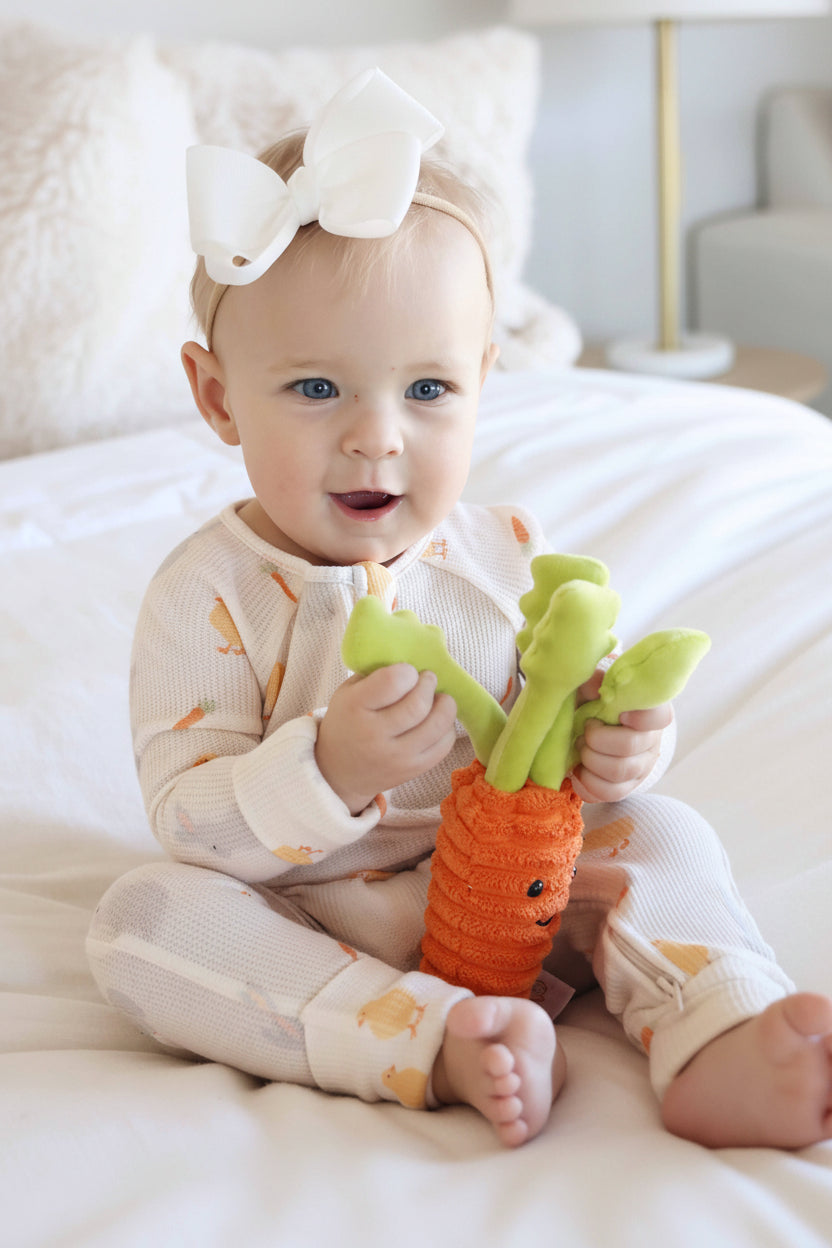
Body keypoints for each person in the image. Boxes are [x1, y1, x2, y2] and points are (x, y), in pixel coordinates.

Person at [87, 71, 832, 1150]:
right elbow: (186, 818)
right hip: (320, 917)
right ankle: (427, 1039)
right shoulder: (208, 592)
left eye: (427, 391)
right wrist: (324, 771)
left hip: (524, 896)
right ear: (216, 397)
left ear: (484, 379)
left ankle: (713, 1029)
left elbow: (553, 746)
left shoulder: (507, 554)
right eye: (314, 389)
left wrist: (618, 747)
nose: (378, 436)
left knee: (666, 832)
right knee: (140, 924)